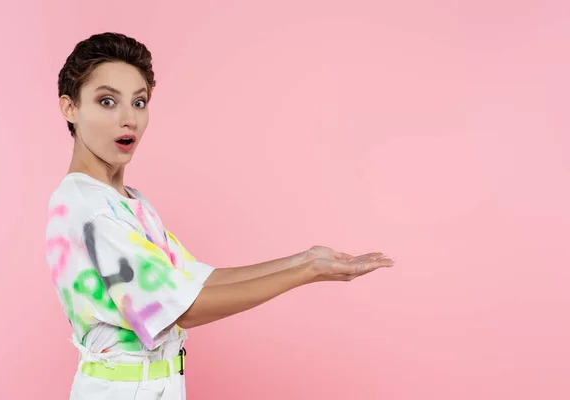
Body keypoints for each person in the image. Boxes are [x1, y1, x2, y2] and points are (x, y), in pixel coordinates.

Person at [45, 32, 395, 400]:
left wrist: (305, 258)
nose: (128, 118)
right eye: (106, 101)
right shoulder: (91, 209)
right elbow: (186, 309)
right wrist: (307, 274)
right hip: (119, 390)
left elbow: (195, 282)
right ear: (70, 108)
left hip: (153, 385)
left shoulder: (127, 200)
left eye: (139, 102)